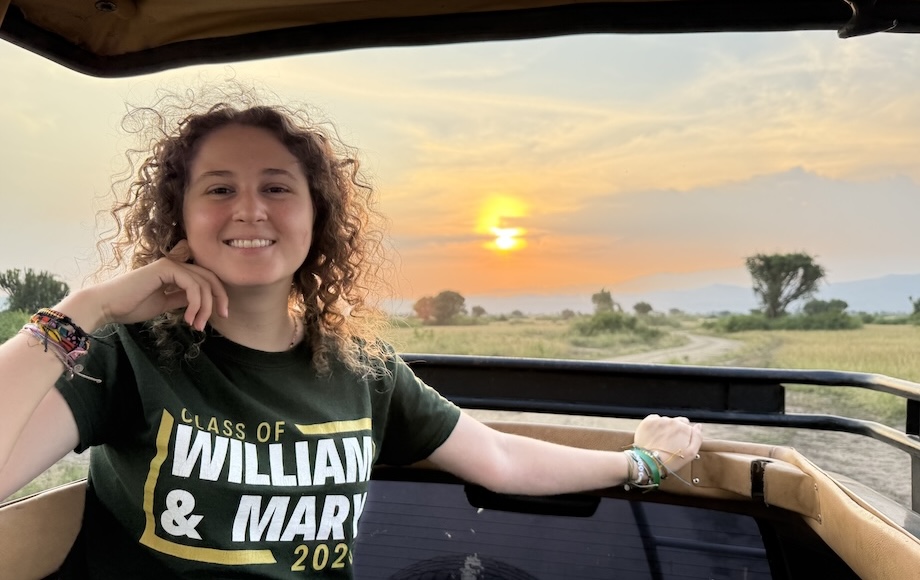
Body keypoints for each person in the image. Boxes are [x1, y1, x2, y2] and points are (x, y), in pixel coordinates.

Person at [0, 88, 703, 578]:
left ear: (317, 216)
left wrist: (637, 463)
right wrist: (84, 309)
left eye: (277, 186)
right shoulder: (126, 357)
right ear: (180, 217)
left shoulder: (361, 369)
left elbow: (500, 459)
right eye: (218, 188)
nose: (250, 209)